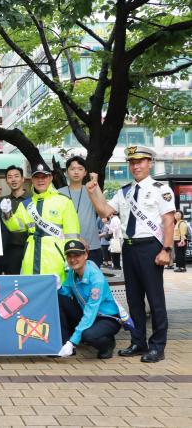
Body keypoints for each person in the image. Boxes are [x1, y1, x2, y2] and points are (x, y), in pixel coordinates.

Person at [86, 145, 175, 363]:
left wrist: (166, 249)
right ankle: (138, 342)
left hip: (150, 247)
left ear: (149, 163)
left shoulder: (160, 189)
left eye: (140, 162)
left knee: (154, 299)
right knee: (133, 299)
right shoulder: (124, 191)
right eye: (132, 163)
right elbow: (104, 211)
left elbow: (168, 221)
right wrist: (93, 191)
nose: (136, 166)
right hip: (129, 247)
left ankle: (157, 346)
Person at [1, 163, 80, 284]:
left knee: (57, 292)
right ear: (32, 180)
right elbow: (16, 227)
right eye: (37, 177)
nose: (40, 180)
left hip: (56, 257)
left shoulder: (64, 201)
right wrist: (7, 213)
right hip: (30, 256)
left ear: (50, 178)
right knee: (31, 291)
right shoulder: (26, 204)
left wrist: (71, 256)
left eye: (44, 177)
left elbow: (72, 233)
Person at [57, 239, 122, 359]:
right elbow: (66, 293)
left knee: (88, 335)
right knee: (59, 298)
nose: (72, 260)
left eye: (77, 255)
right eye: (69, 256)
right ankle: (63, 342)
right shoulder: (72, 272)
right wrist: (58, 287)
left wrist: (73, 342)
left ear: (86, 255)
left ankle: (108, 344)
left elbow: (90, 312)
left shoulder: (96, 280)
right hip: (88, 313)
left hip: (107, 317)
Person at [58, 156, 102, 266]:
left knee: (92, 277)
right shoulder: (58, 193)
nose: (76, 172)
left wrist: (95, 184)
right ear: (66, 172)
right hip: (67, 246)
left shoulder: (91, 190)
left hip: (92, 246)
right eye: (72, 169)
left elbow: (104, 211)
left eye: (80, 169)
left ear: (85, 172)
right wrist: (77, 238)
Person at [0, 165, 29, 274]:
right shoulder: (2, 201)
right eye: (10, 177)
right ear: (6, 181)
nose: (13, 179)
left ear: (23, 179)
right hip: (9, 250)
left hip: (29, 247)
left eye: (16, 176)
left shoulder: (32, 199)